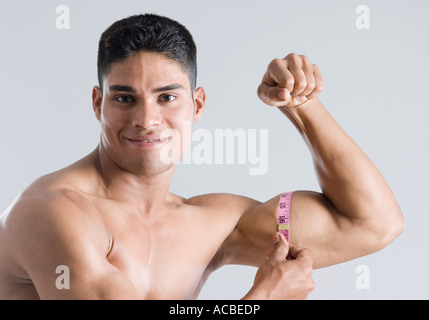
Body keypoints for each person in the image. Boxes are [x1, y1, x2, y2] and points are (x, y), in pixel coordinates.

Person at [0, 14, 404, 300]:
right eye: (125, 98)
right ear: (97, 103)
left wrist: (299, 104)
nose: (146, 119)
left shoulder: (215, 225)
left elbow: (371, 223)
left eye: (167, 97)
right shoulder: (52, 212)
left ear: (197, 105)